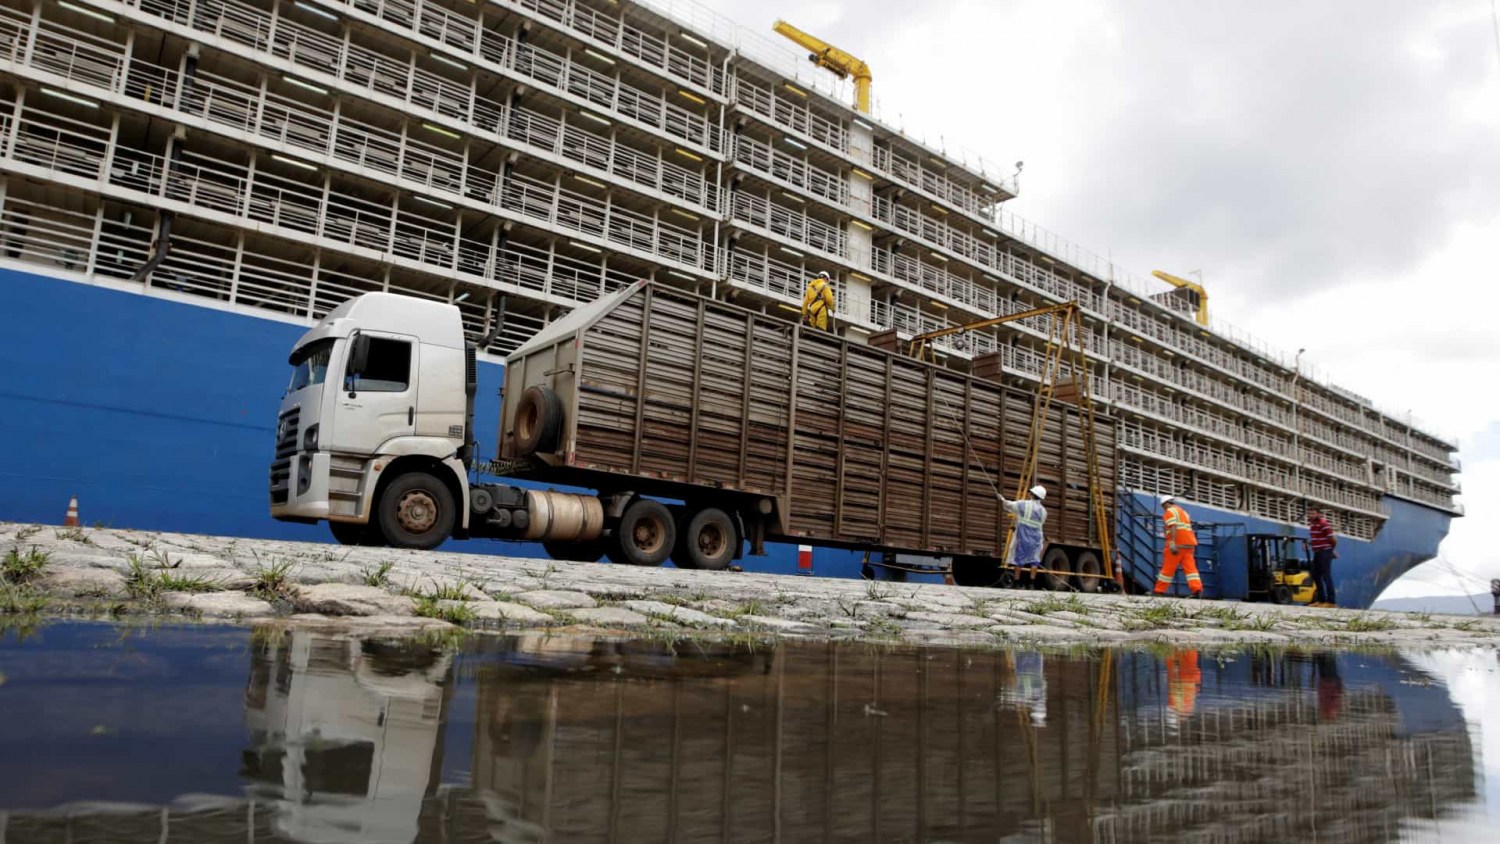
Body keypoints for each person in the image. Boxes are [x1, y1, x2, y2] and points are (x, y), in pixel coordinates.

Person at [999, 485, 1048, 589]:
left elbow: (1010, 505)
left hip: (1023, 536)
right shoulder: (1044, 511)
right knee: (1034, 561)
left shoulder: (1023, 504)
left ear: (1032, 494)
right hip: (1036, 538)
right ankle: (1031, 584)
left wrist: (1002, 499)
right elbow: (1041, 523)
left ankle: (1017, 583)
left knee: (1019, 559)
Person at [1154, 494, 1202, 597]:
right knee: (1191, 569)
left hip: (1177, 544)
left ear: (1165, 504)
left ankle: (1159, 590)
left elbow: (1173, 527)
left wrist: (1172, 542)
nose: (1163, 509)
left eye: (1163, 506)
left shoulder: (1169, 511)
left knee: (1167, 568)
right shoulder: (1183, 512)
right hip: (1189, 544)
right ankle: (1197, 590)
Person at [1308, 507, 1337, 607]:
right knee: (1315, 575)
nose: (1311, 515)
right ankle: (1321, 600)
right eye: (1310, 514)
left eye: (1313, 513)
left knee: (1326, 576)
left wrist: (1331, 551)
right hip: (1317, 552)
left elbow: (1333, 539)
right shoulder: (1312, 524)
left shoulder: (1324, 524)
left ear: (1318, 514)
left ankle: (1331, 602)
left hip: (1325, 551)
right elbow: (1316, 537)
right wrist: (1309, 543)